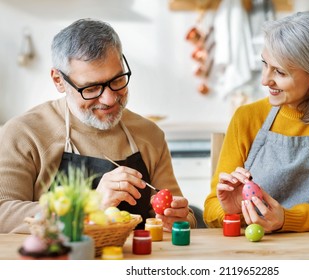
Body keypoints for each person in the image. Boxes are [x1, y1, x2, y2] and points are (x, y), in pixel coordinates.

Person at [0, 18, 196, 233]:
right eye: (92, 88)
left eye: (117, 80)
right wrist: (88, 205)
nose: (110, 99)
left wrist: (179, 219)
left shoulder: (150, 135)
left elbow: (182, 216)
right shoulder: (24, 133)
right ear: (58, 80)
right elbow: (4, 212)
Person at [203, 11, 309, 233]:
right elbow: (211, 209)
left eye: (280, 72)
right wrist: (234, 212)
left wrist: (287, 219)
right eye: (265, 64)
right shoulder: (246, 117)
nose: (265, 80)